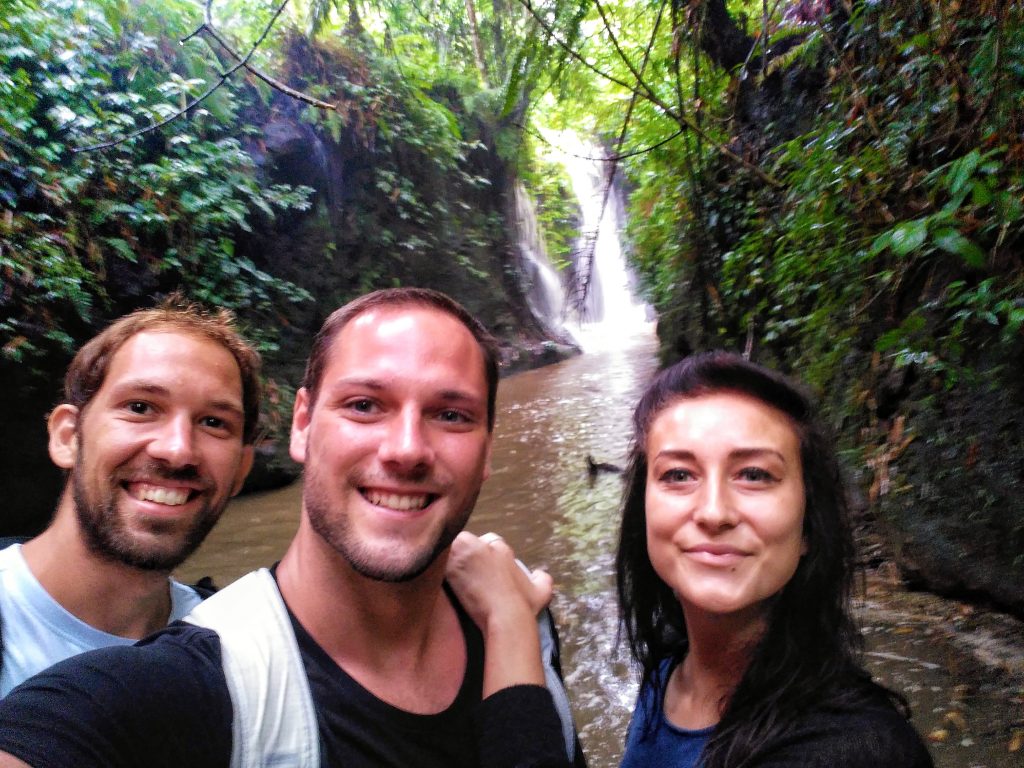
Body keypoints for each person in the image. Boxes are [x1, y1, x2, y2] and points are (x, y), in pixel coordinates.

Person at [0, 287, 584, 768]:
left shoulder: (520, 614)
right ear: (302, 425)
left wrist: (511, 622)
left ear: (487, 450)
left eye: (451, 415)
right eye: (364, 405)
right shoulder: (198, 676)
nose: (407, 449)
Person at [448, 350, 934, 768]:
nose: (714, 511)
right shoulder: (669, 666)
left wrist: (509, 624)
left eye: (755, 475)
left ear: (808, 524)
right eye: (679, 475)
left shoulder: (854, 749)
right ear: (644, 510)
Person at [0, 296, 260, 697]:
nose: (178, 451)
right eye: (140, 407)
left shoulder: (240, 650)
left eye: (214, 422)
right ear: (68, 437)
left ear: (241, 470)